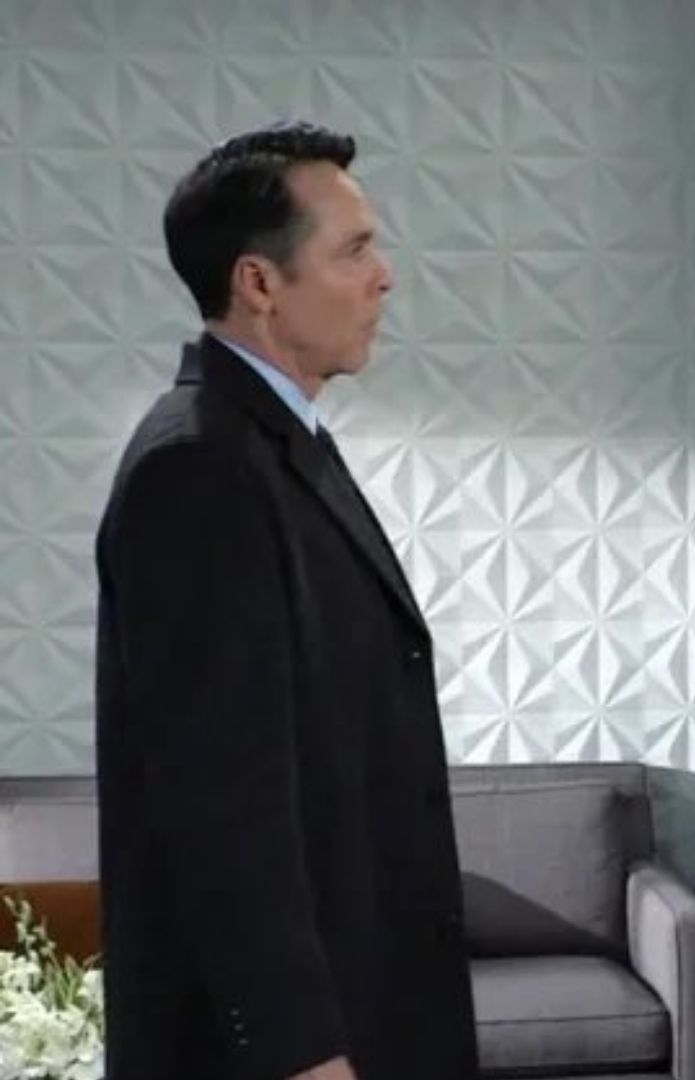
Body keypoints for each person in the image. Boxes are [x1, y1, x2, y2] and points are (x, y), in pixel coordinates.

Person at [93, 122, 476, 1079]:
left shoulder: (276, 444)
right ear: (260, 282)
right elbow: (223, 804)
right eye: (354, 250)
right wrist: (302, 1054)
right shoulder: (197, 468)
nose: (385, 277)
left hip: (366, 1001)